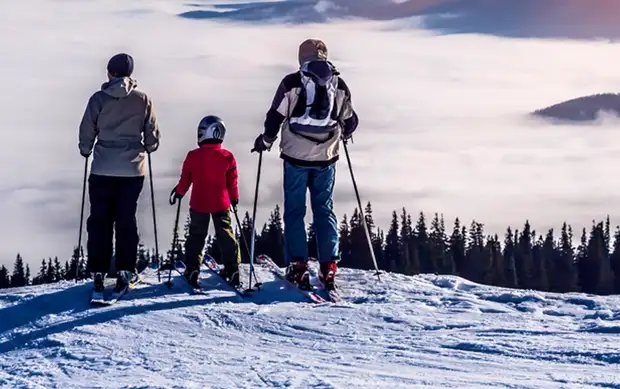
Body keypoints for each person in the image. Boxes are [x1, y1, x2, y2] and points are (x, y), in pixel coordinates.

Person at [251, 38, 359, 291]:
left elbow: (274, 116)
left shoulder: (292, 82)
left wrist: (265, 140)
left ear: (302, 58)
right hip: (327, 157)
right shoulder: (339, 83)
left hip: (295, 156)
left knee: (295, 210)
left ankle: (298, 266)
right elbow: (350, 121)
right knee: (324, 209)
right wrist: (342, 132)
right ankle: (329, 265)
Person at [78, 53, 160, 297]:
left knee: (100, 220)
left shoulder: (98, 99)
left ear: (110, 73)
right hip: (133, 171)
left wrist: (86, 150)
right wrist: (146, 148)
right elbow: (152, 137)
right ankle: (125, 269)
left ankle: (99, 272)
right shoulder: (143, 100)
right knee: (126, 220)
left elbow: (86, 131)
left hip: (102, 168)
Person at [169, 115, 241, 288]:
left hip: (199, 203)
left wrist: (178, 193)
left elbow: (186, 179)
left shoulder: (193, 156)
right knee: (226, 234)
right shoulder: (227, 157)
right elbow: (232, 182)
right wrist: (234, 199)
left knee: (196, 236)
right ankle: (233, 269)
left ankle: (193, 269)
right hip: (221, 203)